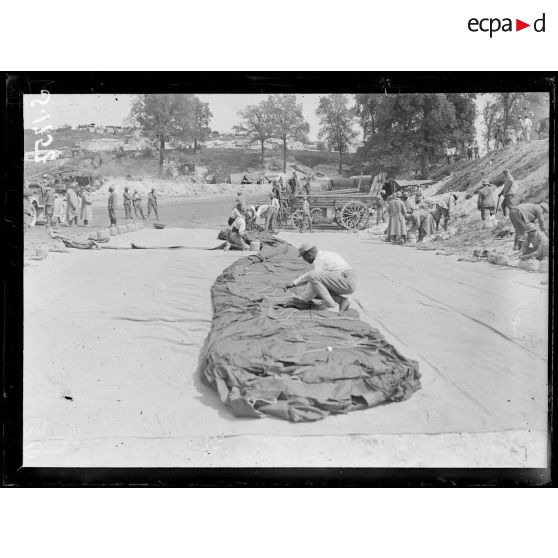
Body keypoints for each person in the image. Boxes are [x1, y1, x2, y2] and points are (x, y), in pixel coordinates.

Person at [286, 243, 356, 313]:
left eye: (304, 257)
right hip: (347, 280)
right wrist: (294, 283)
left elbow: (312, 279)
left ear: (309, 254)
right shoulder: (325, 255)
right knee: (318, 287)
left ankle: (332, 306)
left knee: (315, 283)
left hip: (346, 281)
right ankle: (342, 300)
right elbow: (311, 274)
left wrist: (303, 301)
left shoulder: (319, 260)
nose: (304, 260)